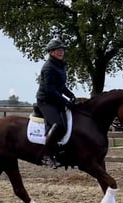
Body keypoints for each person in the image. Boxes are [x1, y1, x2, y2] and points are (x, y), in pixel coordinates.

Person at [36, 39, 76, 167]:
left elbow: (61, 86)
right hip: (46, 101)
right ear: (51, 52)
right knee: (58, 124)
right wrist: (66, 101)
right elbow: (50, 90)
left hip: (55, 100)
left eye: (62, 50)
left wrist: (71, 95)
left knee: (68, 124)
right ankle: (46, 155)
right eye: (58, 50)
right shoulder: (48, 68)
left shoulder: (61, 65)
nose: (61, 52)